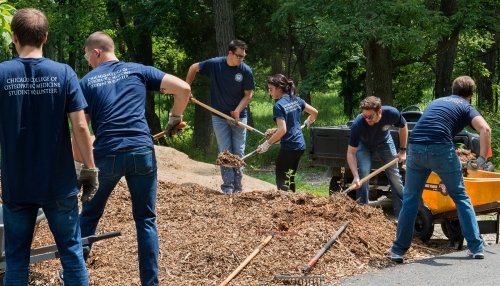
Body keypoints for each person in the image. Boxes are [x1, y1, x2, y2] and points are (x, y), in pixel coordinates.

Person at [78, 31, 191, 286]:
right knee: (146, 220)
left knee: (89, 215)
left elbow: (81, 128)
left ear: (96, 53)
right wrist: (175, 118)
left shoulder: (86, 82)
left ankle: (75, 276)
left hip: (107, 153)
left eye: (88, 57)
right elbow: (183, 89)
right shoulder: (139, 71)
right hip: (141, 151)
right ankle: (150, 283)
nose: (88, 62)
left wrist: (83, 166)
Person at [0, 8, 98, 285]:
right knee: (71, 252)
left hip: (17, 185)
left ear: (14, 36)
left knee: (16, 257)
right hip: (58, 184)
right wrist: (90, 169)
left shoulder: (1, 74)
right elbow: (80, 126)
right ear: (45, 37)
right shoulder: (64, 73)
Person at [387, 75, 491, 263]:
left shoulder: (437, 101)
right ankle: (476, 247)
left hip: (415, 147)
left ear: (453, 90)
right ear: (471, 95)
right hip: (440, 149)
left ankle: (398, 251)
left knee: (411, 199)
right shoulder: (466, 106)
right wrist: (482, 159)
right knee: (460, 197)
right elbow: (485, 130)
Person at [186, 40, 255, 194]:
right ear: (230, 53)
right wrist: (187, 88)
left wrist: (237, 111)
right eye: (239, 56)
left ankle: (238, 187)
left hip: (239, 117)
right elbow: (193, 68)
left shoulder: (245, 70)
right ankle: (228, 187)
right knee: (225, 151)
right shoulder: (215, 64)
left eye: (243, 56)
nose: (241, 59)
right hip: (218, 115)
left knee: (238, 152)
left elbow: (248, 95)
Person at [346, 96, 407, 217]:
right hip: (364, 145)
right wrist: (355, 176)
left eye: (370, 116)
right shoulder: (358, 124)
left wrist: (403, 151)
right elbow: (350, 153)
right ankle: (362, 214)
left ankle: (403, 214)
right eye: (365, 116)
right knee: (363, 175)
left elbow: (403, 126)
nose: (367, 119)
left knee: (394, 175)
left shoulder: (391, 113)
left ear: (379, 111)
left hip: (384, 141)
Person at [257, 74, 318, 192]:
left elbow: (282, 130)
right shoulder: (296, 99)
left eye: (271, 89)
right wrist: (310, 120)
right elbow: (314, 112)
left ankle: (285, 204)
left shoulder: (278, 106)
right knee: (290, 176)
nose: (270, 93)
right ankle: (293, 201)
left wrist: (267, 144)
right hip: (300, 145)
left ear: (279, 88)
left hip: (289, 146)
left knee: (281, 178)